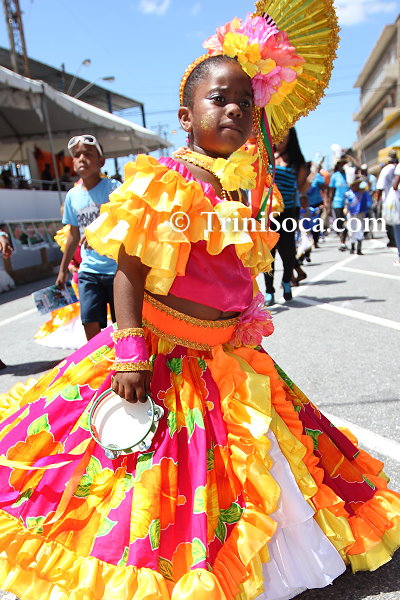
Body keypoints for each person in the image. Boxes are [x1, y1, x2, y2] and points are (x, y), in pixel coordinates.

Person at [0, 6, 399, 600]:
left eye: (246, 102)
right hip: (160, 353)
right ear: (186, 117)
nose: (234, 109)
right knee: (143, 479)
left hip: (225, 356)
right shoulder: (164, 179)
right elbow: (130, 270)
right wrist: (130, 351)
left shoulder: (242, 189)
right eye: (219, 99)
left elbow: (235, 274)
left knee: (256, 466)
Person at [55, 134, 121, 340]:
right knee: (89, 321)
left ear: (101, 161)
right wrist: (62, 270)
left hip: (117, 269)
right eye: (77, 155)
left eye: (88, 154)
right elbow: (73, 236)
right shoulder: (72, 196)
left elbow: (127, 222)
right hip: (89, 270)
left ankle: (123, 356)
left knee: (122, 324)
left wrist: (99, 233)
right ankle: (97, 359)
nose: (82, 158)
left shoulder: (114, 188)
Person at [263, 128, 309, 305]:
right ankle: (269, 290)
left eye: (285, 136)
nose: (281, 139)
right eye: (278, 135)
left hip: (287, 211)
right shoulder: (266, 156)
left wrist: (312, 176)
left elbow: (302, 188)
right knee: (268, 254)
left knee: (288, 253)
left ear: (291, 138)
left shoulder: (297, 161)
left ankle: (286, 281)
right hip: (268, 213)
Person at [376, 150, 398, 247]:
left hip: (389, 200)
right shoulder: (397, 167)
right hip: (398, 199)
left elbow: (380, 187)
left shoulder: (386, 169)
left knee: (389, 221)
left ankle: (393, 240)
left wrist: (378, 201)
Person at [329, 156, 350, 251]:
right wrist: (329, 205)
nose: (343, 165)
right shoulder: (335, 176)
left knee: (348, 223)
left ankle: (344, 242)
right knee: (340, 223)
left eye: (344, 163)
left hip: (349, 203)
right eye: (341, 164)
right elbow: (332, 191)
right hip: (338, 203)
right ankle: (342, 241)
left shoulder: (349, 174)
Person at [344, 179, 370, 255]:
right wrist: (346, 210)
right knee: (352, 230)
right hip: (351, 214)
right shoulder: (348, 194)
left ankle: (359, 248)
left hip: (360, 213)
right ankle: (352, 247)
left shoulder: (362, 193)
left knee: (360, 229)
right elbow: (346, 203)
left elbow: (368, 187)